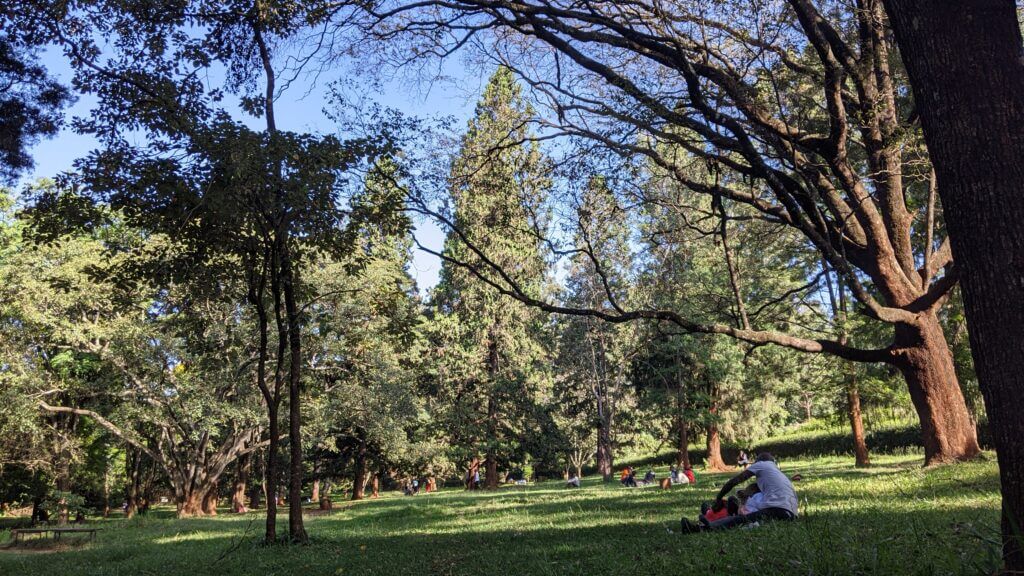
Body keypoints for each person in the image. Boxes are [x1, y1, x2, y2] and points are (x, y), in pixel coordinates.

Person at [680, 452, 798, 533]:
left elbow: (734, 481)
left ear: (758, 461)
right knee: (743, 517)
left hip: (778, 510)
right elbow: (755, 491)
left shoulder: (761, 465)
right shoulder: (776, 472)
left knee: (740, 520)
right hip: (790, 513)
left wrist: (719, 498)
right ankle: (701, 527)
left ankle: (704, 528)